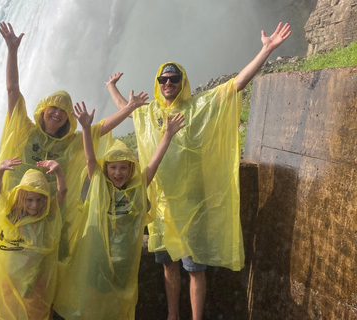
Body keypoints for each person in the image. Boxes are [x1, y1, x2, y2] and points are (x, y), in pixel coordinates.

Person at [0, 21, 149, 319]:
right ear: (43, 110)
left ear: (67, 119)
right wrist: (11, 51)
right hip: (14, 209)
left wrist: (130, 108)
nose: (58, 113)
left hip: (50, 213)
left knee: (44, 270)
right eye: (53, 108)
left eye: (63, 109)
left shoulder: (73, 142)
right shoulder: (24, 129)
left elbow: (100, 128)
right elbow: (12, 90)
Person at [105, 22, 292, 320]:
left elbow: (236, 85)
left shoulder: (197, 106)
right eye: (163, 79)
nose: (168, 83)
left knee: (195, 266)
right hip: (162, 204)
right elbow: (128, 112)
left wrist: (266, 50)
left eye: (174, 78)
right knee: (168, 265)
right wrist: (111, 87)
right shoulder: (151, 113)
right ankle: (172, 316)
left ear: (182, 82)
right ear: (158, 82)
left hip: (192, 203)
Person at [52, 100, 184, 320]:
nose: (118, 172)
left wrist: (168, 136)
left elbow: (153, 164)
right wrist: (86, 128)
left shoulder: (137, 187)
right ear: (106, 169)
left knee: (118, 307)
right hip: (96, 260)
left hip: (124, 263)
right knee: (92, 303)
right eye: (113, 167)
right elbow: (90, 158)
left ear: (131, 168)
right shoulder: (99, 185)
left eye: (123, 167)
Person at [0, 158, 66, 320]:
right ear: (21, 197)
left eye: (39, 200)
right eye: (29, 200)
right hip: (12, 275)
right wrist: (0, 170)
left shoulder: (47, 214)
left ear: (44, 199)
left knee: (38, 310)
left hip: (37, 274)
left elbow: (62, 192)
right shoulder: (12, 214)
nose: (34, 205)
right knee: (10, 309)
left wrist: (58, 171)